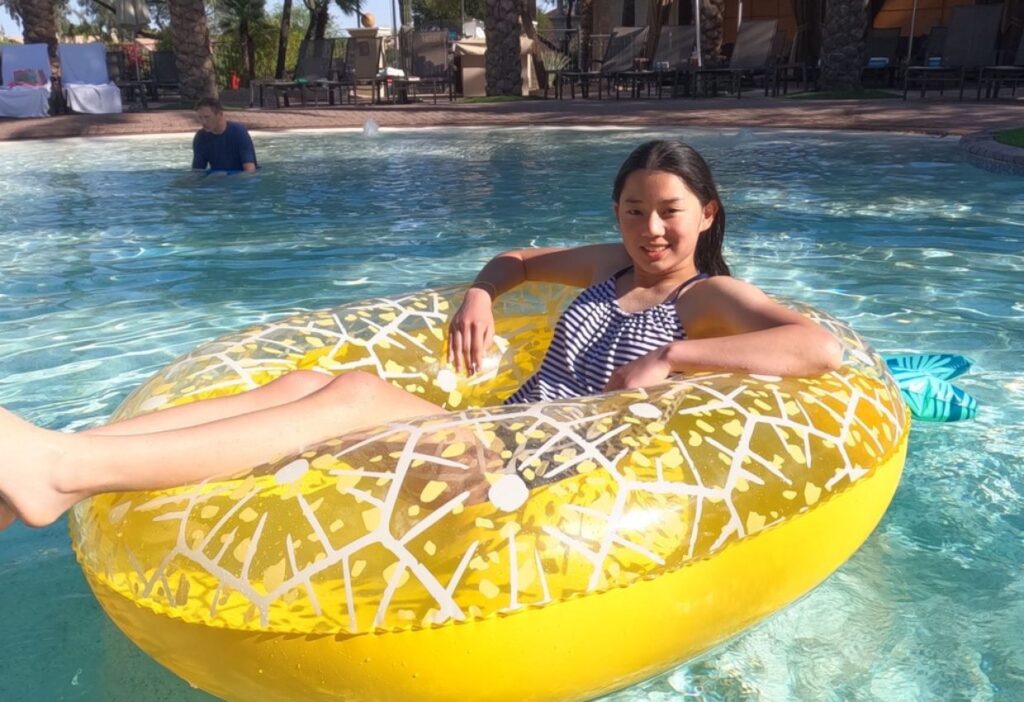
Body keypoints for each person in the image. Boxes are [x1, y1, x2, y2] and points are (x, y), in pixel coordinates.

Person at [0, 140, 841, 532]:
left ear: (707, 214)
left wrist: (674, 353)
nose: (650, 229)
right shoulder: (609, 267)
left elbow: (816, 348)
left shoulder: (710, 293)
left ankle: (63, 471)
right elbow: (515, 259)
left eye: (669, 211)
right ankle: (64, 462)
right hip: (503, 431)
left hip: (550, 469)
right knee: (303, 386)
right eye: (633, 210)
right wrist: (482, 291)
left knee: (355, 395)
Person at [191, 97, 257, 173]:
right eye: (200, 117)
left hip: (238, 180)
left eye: (207, 117)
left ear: (220, 114)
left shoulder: (238, 133)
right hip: (217, 179)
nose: (203, 122)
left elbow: (250, 171)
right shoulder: (201, 137)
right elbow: (197, 172)